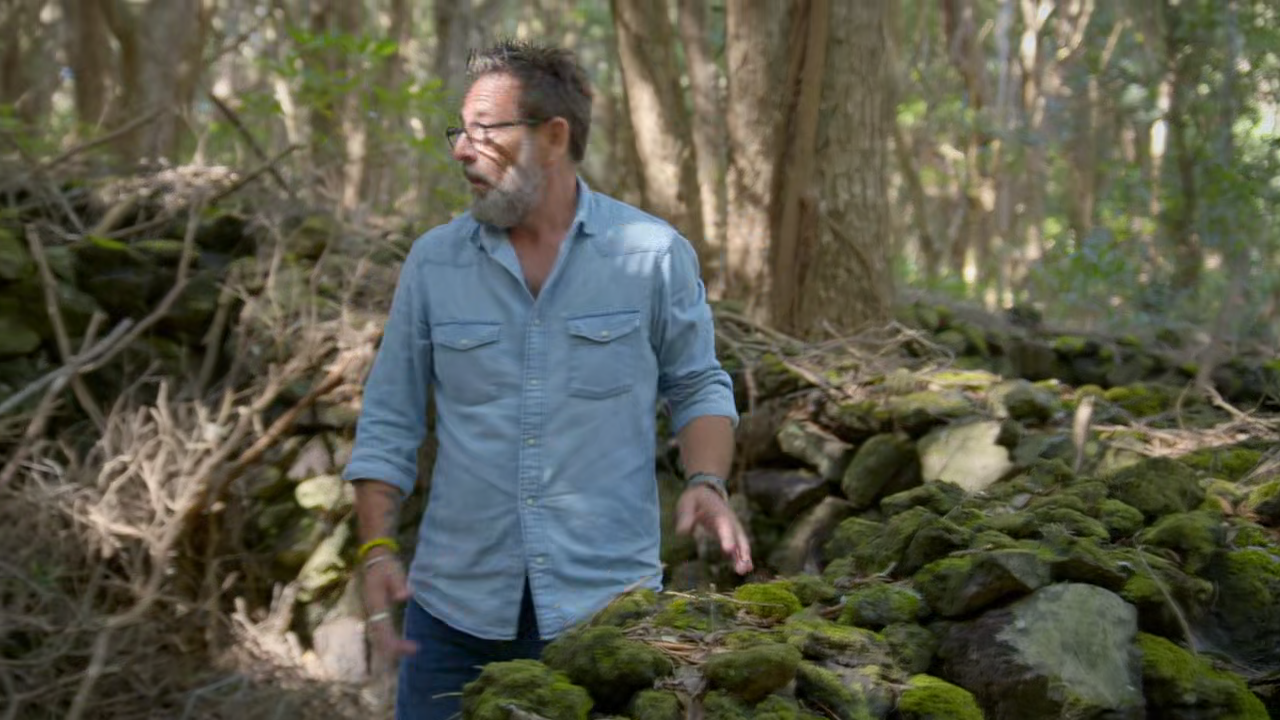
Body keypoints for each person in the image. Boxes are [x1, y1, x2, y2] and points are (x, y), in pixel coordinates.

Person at [341, 39, 752, 720]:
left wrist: (707, 481)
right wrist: (379, 550)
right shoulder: (434, 263)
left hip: (606, 616)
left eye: (485, 131)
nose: (461, 150)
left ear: (554, 137)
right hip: (452, 617)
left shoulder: (651, 254)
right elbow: (389, 417)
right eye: (458, 131)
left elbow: (698, 385)